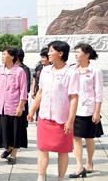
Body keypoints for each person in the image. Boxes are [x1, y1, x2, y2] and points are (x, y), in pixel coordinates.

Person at [27, 40, 79, 181]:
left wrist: (70, 120)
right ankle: (41, 177)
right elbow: (41, 92)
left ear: (60, 53)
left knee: (63, 151)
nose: (48, 54)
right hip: (45, 117)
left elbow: (74, 98)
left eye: (51, 51)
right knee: (42, 149)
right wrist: (32, 110)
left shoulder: (71, 72)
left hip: (62, 118)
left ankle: (60, 178)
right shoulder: (45, 70)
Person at [68, 43, 104, 178]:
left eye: (78, 52)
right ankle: (79, 166)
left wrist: (97, 111)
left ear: (87, 54)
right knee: (75, 138)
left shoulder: (95, 71)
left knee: (89, 138)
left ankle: (89, 162)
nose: (76, 55)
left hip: (89, 109)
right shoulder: (72, 70)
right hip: (75, 109)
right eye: (75, 53)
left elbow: (99, 93)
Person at [0, 47, 28, 165]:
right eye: (1, 54)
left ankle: (13, 154)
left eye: (4, 54)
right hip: (2, 106)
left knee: (15, 131)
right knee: (4, 130)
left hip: (14, 106)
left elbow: (23, 90)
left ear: (12, 57)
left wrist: (20, 106)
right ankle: (8, 147)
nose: (2, 56)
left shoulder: (19, 71)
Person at [32, 47, 51, 120]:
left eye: (43, 57)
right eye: (41, 57)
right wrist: (33, 89)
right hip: (38, 92)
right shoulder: (39, 67)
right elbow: (34, 78)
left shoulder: (52, 68)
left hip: (46, 94)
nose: (41, 59)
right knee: (38, 110)